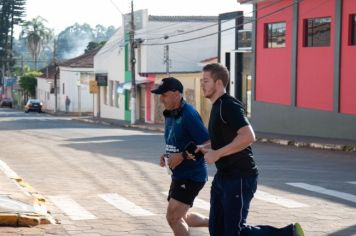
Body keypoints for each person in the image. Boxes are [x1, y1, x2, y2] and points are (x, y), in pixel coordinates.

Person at [199, 63, 305, 236]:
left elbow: (248, 136)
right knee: (216, 229)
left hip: (240, 177)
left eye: (206, 81)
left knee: (236, 232)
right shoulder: (217, 106)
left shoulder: (229, 106)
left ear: (218, 83)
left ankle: (289, 233)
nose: (202, 84)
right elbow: (227, 137)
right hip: (223, 177)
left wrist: (217, 153)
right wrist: (206, 147)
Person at [151, 77, 209, 236]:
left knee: (173, 218)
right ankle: (216, 223)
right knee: (181, 216)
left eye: (164, 95)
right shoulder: (170, 114)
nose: (161, 99)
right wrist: (167, 154)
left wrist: (182, 155)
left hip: (192, 175)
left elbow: (208, 143)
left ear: (177, 94)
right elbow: (177, 140)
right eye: (160, 95)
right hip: (179, 174)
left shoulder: (189, 114)